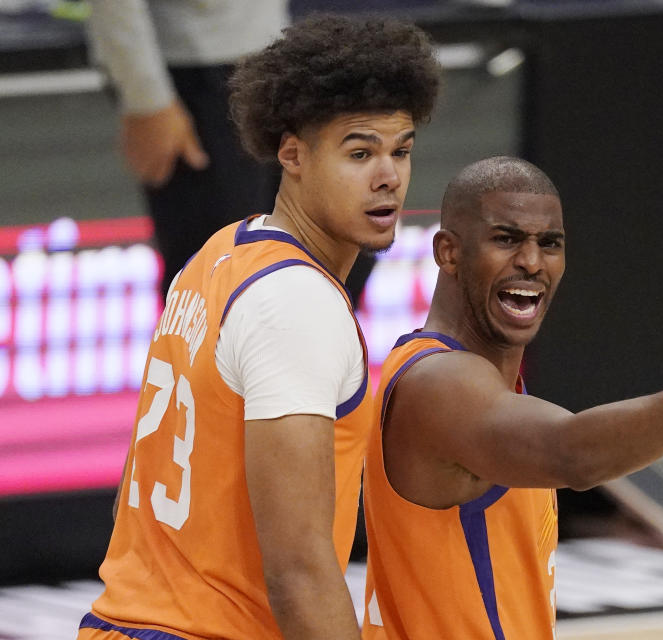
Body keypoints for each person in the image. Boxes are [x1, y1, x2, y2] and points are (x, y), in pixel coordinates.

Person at [360, 156, 663, 639]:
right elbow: (573, 455)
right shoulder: (438, 383)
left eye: (549, 243)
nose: (531, 262)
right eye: (505, 239)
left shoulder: (481, 382)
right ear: (448, 252)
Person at [77, 14, 439, 640]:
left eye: (400, 150)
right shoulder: (296, 303)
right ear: (291, 153)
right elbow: (298, 568)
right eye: (359, 152)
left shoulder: (218, 253)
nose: (389, 176)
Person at [85, 0, 288, 295]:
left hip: (271, 53)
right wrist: (146, 98)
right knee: (213, 286)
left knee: (289, 271)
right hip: (196, 71)